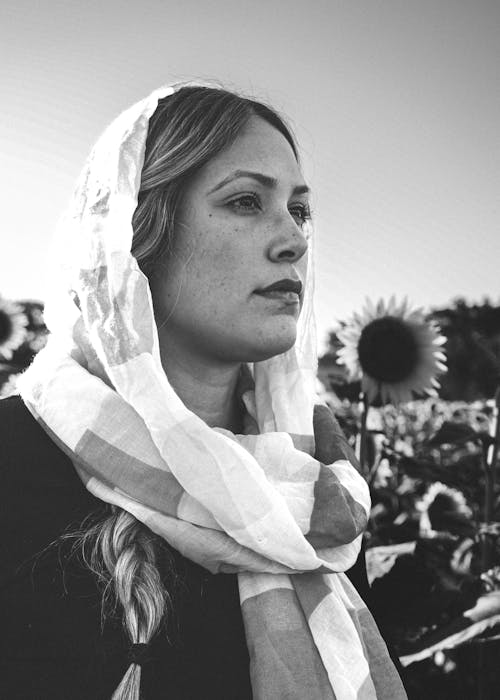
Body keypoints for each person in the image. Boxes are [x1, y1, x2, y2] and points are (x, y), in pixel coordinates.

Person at [0, 82, 407, 699]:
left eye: (299, 210)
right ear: (139, 233)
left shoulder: (312, 486)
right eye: (246, 201)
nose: (294, 240)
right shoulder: (13, 458)